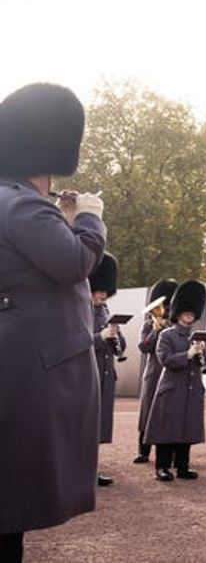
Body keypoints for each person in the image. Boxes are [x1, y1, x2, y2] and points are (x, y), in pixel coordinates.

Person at [0, 83, 105, 563]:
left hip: (16, 358)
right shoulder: (22, 203)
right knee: (12, 505)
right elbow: (72, 262)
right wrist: (90, 219)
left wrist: (60, 216)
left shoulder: (14, 201)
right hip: (30, 370)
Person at [143, 280, 206, 481]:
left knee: (186, 428)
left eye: (192, 313)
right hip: (172, 388)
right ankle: (162, 467)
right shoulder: (167, 335)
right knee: (167, 429)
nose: (189, 316)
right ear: (178, 313)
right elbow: (165, 360)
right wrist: (188, 354)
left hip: (191, 389)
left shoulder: (198, 336)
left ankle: (183, 467)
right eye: (186, 313)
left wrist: (203, 351)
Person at [89, 252, 125, 486]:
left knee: (98, 427)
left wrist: (116, 337)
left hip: (105, 375)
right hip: (87, 375)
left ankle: (91, 470)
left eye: (104, 292)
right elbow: (75, 342)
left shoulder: (105, 311)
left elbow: (122, 345)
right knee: (83, 425)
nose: (101, 295)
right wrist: (101, 337)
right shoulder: (78, 308)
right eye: (98, 291)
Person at [134, 279, 178, 464]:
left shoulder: (176, 327)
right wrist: (155, 331)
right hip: (153, 373)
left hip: (172, 373)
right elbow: (144, 347)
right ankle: (143, 451)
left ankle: (172, 452)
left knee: (170, 414)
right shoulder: (148, 325)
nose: (165, 310)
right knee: (147, 412)